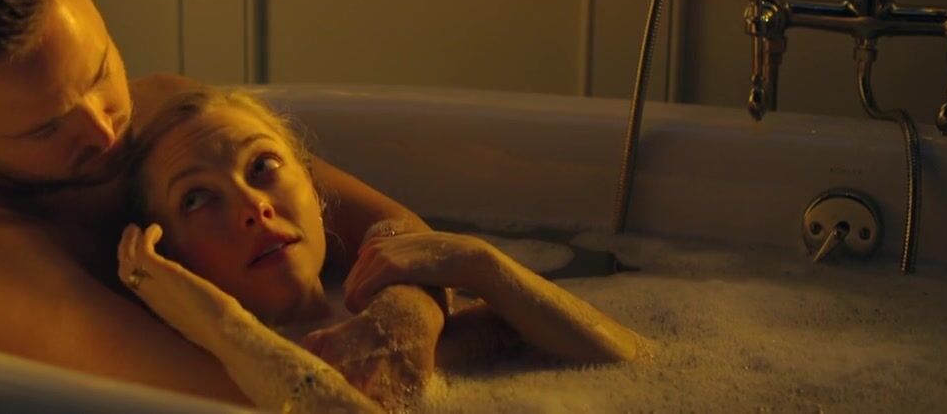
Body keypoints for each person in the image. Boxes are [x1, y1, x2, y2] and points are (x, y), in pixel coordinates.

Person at [0, 0, 448, 406]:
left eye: (99, 73)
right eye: (46, 128)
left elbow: (396, 232)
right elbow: (277, 403)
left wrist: (402, 323)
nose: (103, 128)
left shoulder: (159, 107)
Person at [117, 88, 648, 412]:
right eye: (197, 199)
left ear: (314, 190)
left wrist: (477, 261)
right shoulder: (203, 371)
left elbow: (632, 361)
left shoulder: (379, 314)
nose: (253, 206)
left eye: (262, 166)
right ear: (173, 257)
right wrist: (223, 325)